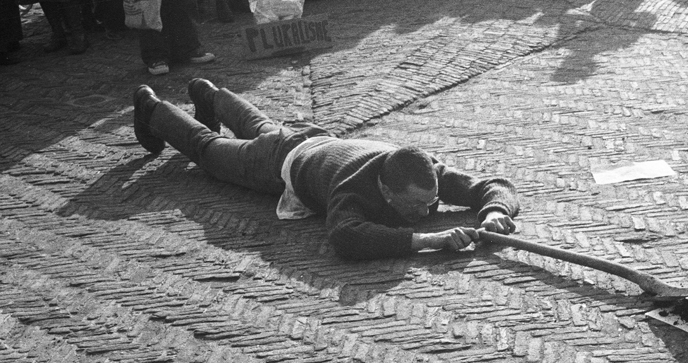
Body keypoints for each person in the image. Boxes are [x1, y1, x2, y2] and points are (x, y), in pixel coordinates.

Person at [131, 80, 520, 260]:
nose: (428, 211)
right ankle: (152, 108)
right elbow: (346, 237)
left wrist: (496, 211)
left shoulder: (425, 174)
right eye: (416, 207)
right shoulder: (353, 190)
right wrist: (425, 240)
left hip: (315, 140)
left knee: (266, 128)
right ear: (385, 190)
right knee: (209, 151)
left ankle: (210, 94)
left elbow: (494, 184)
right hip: (276, 162)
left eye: (431, 202)